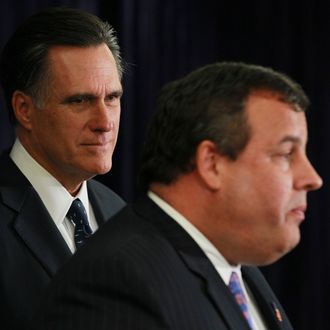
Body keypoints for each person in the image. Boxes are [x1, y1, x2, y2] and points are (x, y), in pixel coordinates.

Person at [32, 62, 322, 330]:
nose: (313, 178)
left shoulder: (239, 266)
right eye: (286, 154)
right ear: (211, 164)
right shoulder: (115, 283)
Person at [0, 6, 126, 330]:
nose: (104, 123)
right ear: (25, 109)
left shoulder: (120, 213)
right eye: (80, 101)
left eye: (112, 98)